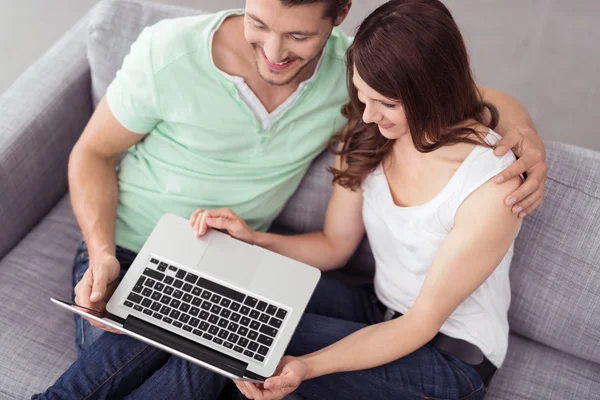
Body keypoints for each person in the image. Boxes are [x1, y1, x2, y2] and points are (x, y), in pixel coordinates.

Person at [37, 0, 536, 399]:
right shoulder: (373, 129)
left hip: (446, 354)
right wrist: (254, 240)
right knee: (216, 301)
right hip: (378, 307)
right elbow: (336, 248)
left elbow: (422, 323)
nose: (364, 114)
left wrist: (305, 367)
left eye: (385, 103)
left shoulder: (493, 186)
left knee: (236, 339)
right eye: (362, 96)